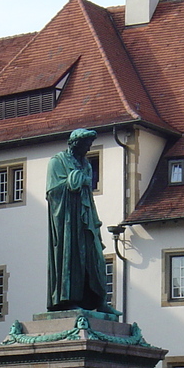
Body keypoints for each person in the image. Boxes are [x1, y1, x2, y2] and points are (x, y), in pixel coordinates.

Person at [45, 129, 118, 315]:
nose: (88, 149)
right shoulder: (57, 162)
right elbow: (52, 192)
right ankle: (68, 299)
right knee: (72, 258)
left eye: (90, 146)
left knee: (95, 256)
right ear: (75, 144)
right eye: (86, 145)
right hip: (67, 221)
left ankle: (98, 299)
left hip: (86, 218)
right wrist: (73, 181)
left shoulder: (86, 164)